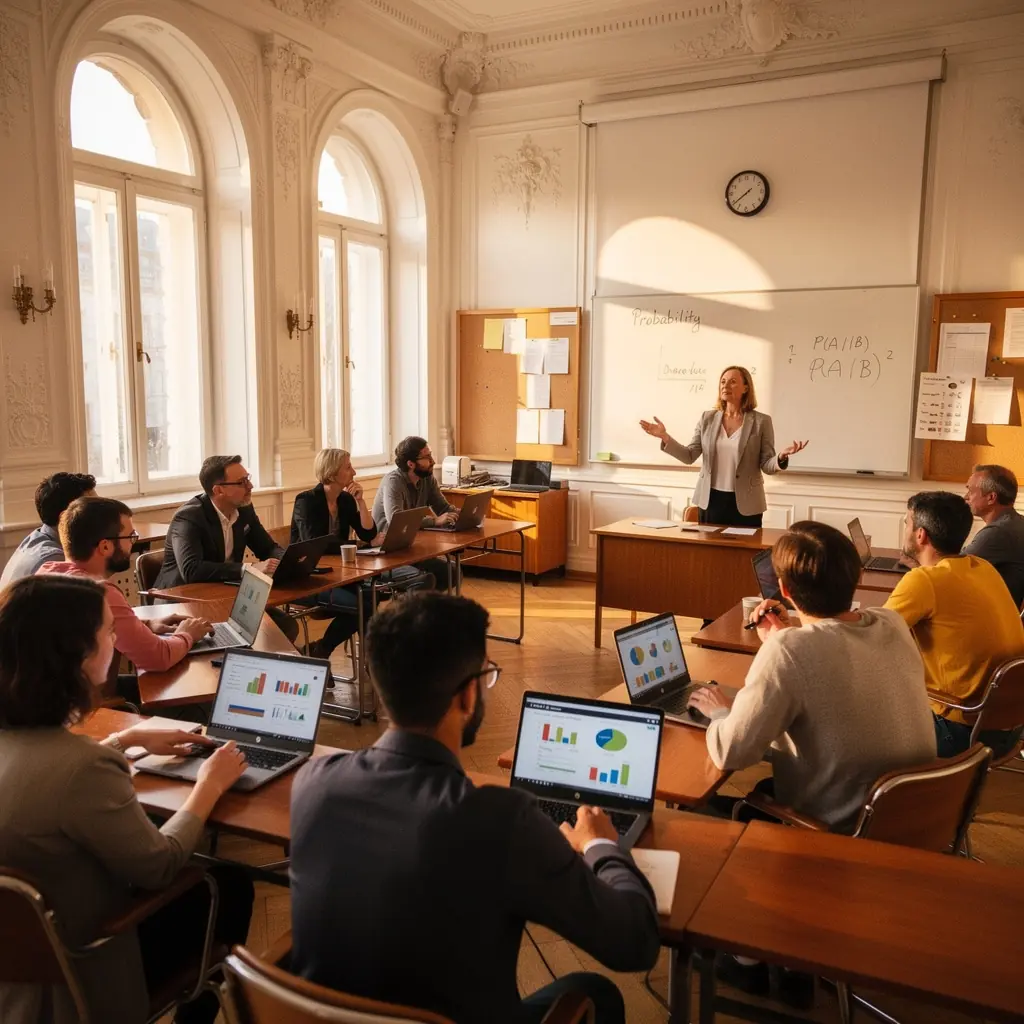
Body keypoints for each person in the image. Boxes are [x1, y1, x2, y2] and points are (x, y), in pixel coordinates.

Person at [290, 592, 660, 1024]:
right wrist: (600, 845)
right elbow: (635, 941)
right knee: (597, 993)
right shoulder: (500, 819)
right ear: (467, 696)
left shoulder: (312, 783)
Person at [688, 521, 936, 1009]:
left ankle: (749, 961)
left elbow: (734, 751)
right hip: (913, 822)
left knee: (704, 812)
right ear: (856, 576)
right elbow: (836, 657)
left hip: (836, 833)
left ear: (782, 590)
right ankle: (791, 956)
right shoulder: (890, 624)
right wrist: (788, 637)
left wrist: (719, 709)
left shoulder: (789, 650)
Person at [0, 574, 252, 1024]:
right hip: (92, 960)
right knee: (230, 884)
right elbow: (160, 866)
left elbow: (45, 782)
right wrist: (209, 785)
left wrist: (126, 740)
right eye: (108, 631)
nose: (117, 639)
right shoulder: (84, 770)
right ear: (76, 656)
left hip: (16, 972)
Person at [885, 491, 1024, 758]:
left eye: (907, 523)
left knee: (860, 706)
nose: (905, 528)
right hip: (1009, 726)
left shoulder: (925, 580)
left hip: (963, 732)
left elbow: (869, 639)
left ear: (921, 535)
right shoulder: (981, 566)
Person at [37, 497, 211, 673]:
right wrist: (187, 634)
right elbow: (159, 658)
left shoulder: (47, 573)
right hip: (84, 698)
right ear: (105, 547)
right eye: (130, 537)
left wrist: (147, 624)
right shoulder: (98, 593)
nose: (132, 543)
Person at [639, 366, 808, 527]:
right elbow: (689, 456)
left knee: (743, 555)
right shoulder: (707, 418)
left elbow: (766, 464)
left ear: (746, 388)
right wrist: (664, 436)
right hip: (710, 500)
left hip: (747, 503)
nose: (726, 385)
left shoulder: (761, 421)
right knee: (710, 555)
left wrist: (780, 458)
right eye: (723, 381)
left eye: (733, 381)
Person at [154, 455, 298, 643]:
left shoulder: (244, 509)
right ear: (219, 490)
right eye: (242, 482)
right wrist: (248, 568)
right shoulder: (189, 517)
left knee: (285, 626)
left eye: (248, 479)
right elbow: (191, 569)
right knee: (267, 632)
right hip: (183, 602)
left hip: (226, 596)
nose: (250, 487)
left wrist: (288, 562)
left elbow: (267, 547)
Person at [290, 448, 377, 659]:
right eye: (348, 467)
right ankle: (335, 653)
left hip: (338, 573)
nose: (354, 472)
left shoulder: (345, 500)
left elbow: (368, 533)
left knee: (370, 596)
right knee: (364, 605)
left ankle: (322, 649)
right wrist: (356, 545)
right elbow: (316, 544)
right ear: (331, 472)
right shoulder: (306, 501)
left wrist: (362, 502)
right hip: (308, 578)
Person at [370, 436, 458, 588]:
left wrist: (460, 513)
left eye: (431, 455)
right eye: (427, 457)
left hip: (410, 545)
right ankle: (412, 610)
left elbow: (442, 507)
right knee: (425, 579)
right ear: (411, 464)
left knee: (452, 572)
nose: (432, 461)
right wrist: (434, 521)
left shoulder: (427, 478)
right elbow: (397, 520)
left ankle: (434, 611)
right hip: (386, 549)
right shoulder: (393, 481)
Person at [0, 471, 96, 586]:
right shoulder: (55, 560)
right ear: (66, 517)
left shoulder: (36, 538)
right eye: (93, 509)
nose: (100, 515)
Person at [963, 464, 1024, 609]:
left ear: (991, 497)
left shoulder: (998, 533)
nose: (966, 497)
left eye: (970, 491)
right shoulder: (1015, 522)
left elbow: (948, 570)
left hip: (994, 619)